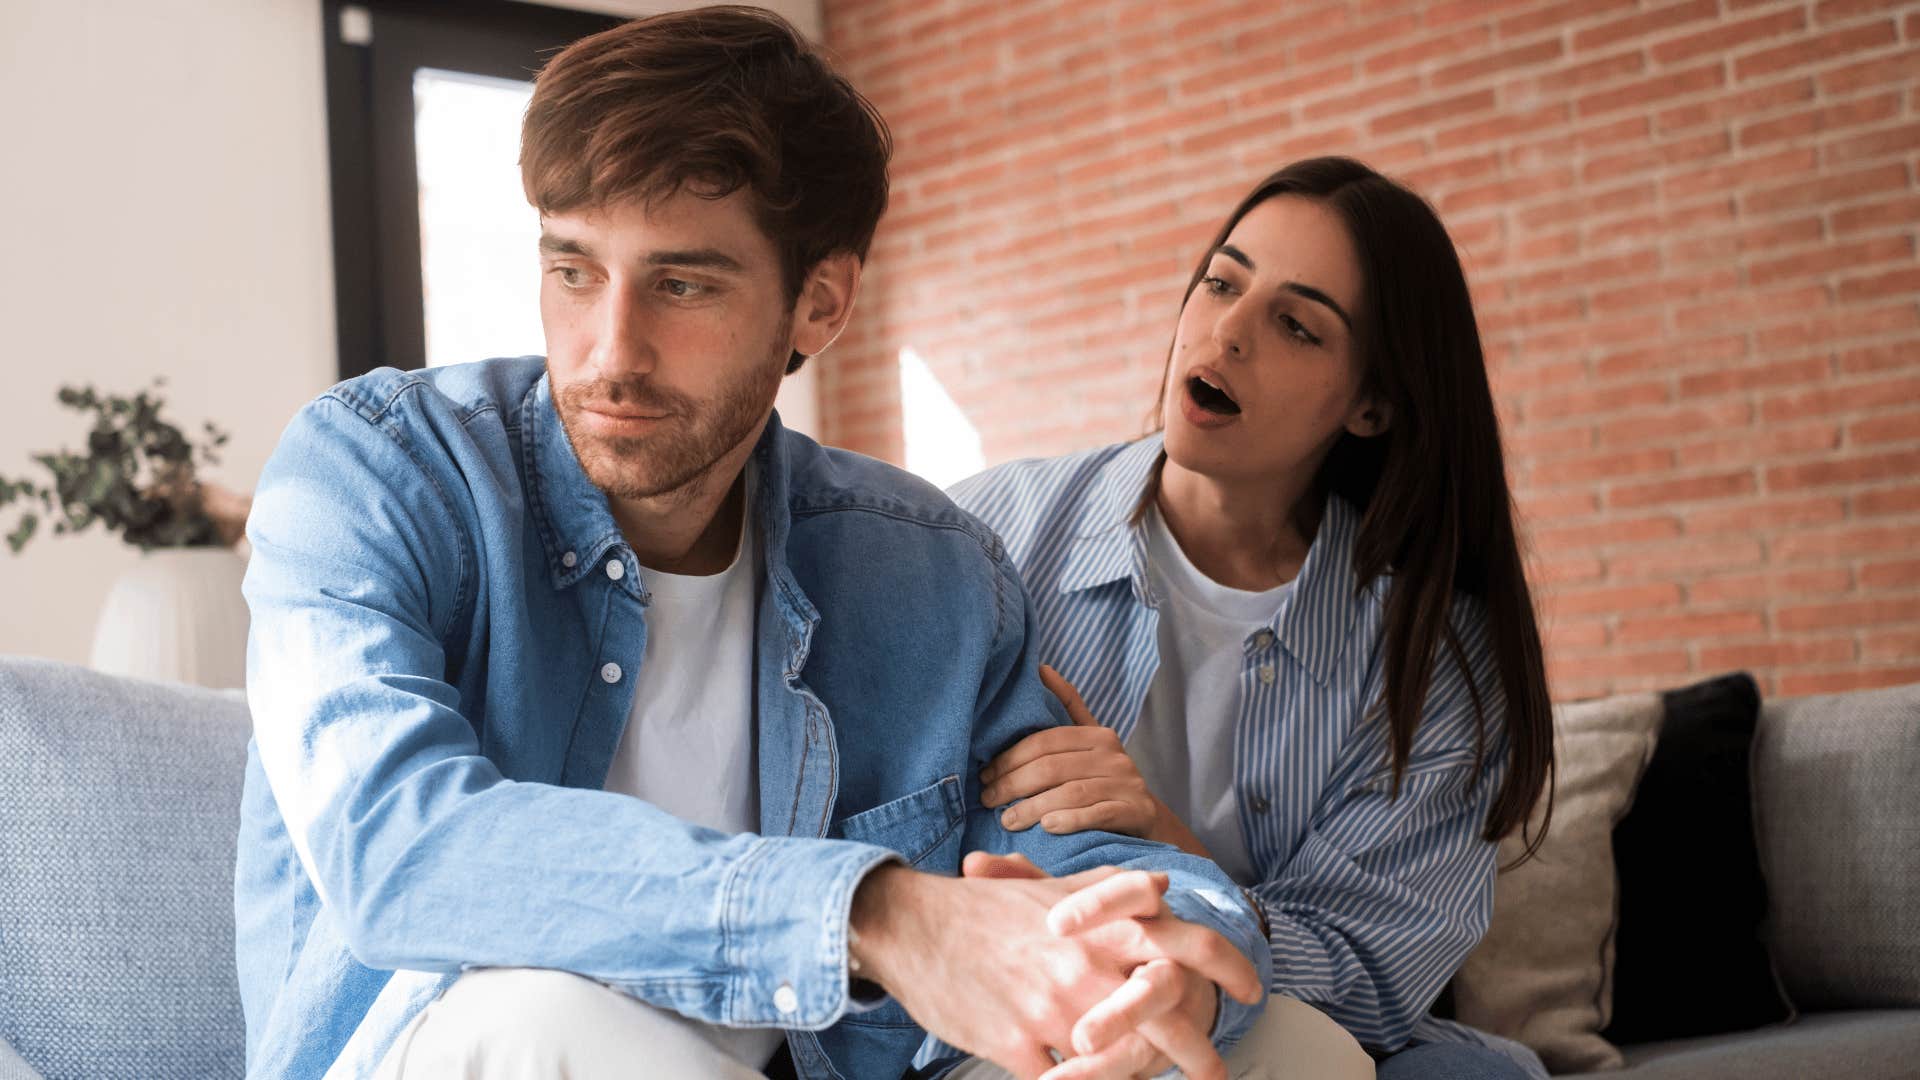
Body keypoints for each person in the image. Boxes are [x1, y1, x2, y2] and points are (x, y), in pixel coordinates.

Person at [234, 8, 1271, 1080]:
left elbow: (1103, 869)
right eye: (575, 270)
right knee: (553, 1022)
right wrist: (873, 914)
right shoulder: (375, 470)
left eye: (682, 285)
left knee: (1271, 1046)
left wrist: (1163, 970)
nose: (610, 352)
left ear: (818, 304)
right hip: (463, 1048)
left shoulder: (928, 571)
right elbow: (400, 848)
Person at [949, 157, 1558, 1080]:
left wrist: (1161, 839)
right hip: (1033, 1003)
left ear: (1372, 404)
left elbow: (1376, 974)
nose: (1227, 333)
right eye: (1222, 283)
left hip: (1298, 1031)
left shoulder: (1430, 652)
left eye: (1296, 326)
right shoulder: (993, 536)